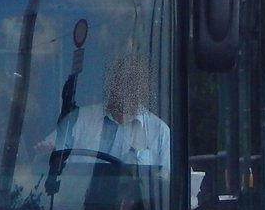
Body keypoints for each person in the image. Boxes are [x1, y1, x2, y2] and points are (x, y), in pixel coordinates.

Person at [39, 52, 170, 171]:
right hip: (78, 196)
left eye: (134, 83)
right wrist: (47, 154)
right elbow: (52, 151)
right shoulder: (78, 119)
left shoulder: (160, 132)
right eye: (121, 81)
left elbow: (166, 181)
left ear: (144, 90)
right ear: (111, 85)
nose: (127, 89)